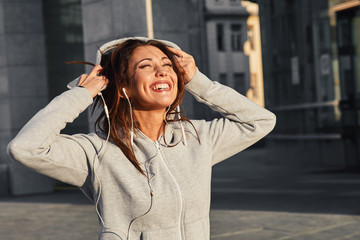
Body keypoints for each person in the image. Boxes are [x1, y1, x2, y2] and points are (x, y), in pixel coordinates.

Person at [7, 37, 276, 240]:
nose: (162, 72)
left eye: (168, 66)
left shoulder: (197, 138)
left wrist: (197, 81)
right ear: (123, 87)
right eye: (146, 66)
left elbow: (261, 121)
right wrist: (83, 93)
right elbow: (26, 148)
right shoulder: (98, 152)